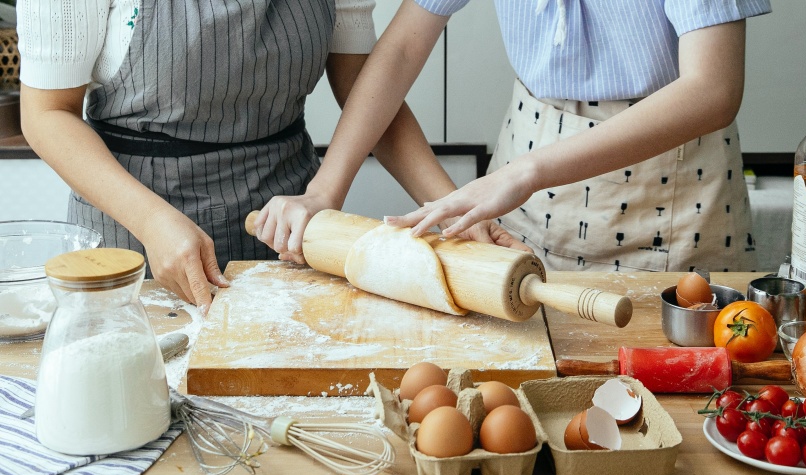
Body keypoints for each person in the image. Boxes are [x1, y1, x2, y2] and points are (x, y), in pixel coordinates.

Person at [17, 0, 521, 313]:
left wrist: (456, 211)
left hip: (290, 230)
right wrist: (150, 221)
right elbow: (46, 115)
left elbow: (370, 92)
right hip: (133, 225)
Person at [266, 0, 770, 274]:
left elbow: (714, 88)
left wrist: (526, 173)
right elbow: (398, 51)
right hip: (523, 197)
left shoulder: (525, 174)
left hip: (671, 195)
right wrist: (324, 192)